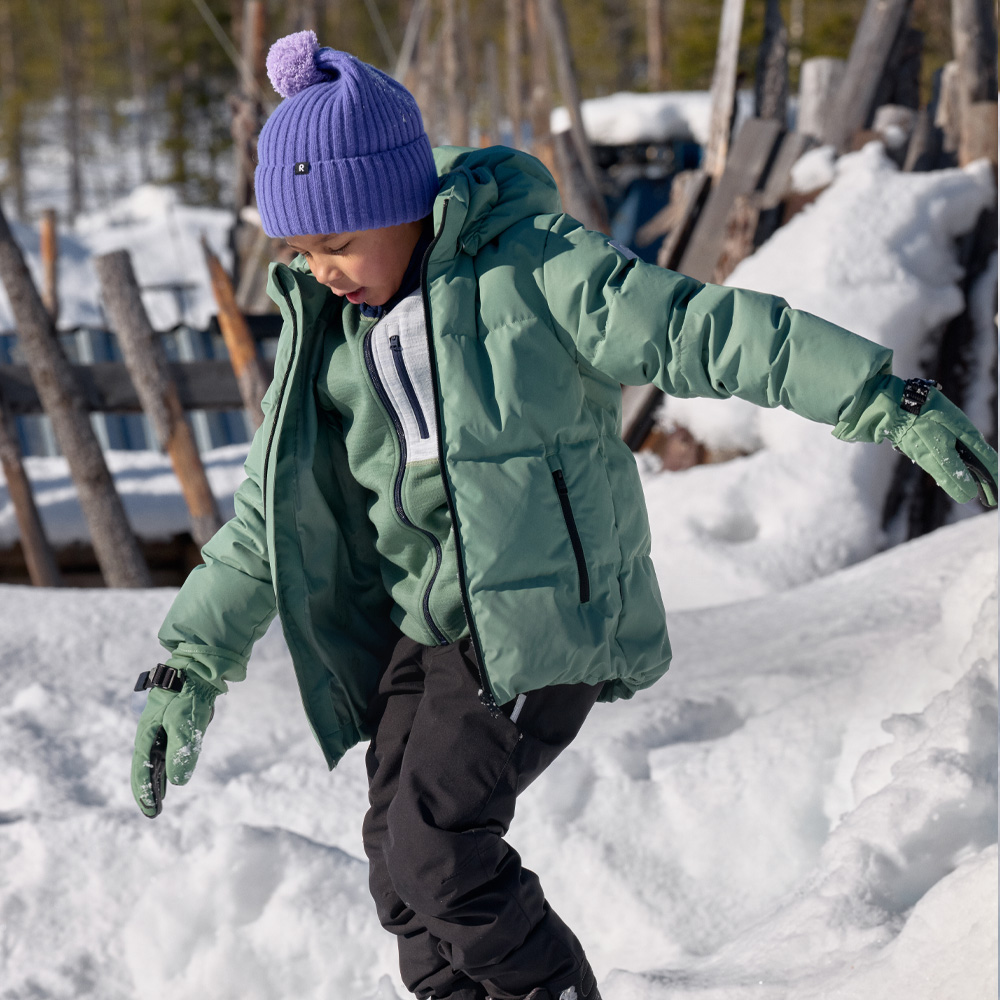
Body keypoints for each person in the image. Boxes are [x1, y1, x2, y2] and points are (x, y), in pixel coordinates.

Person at [130, 31, 999, 1000]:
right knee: (398, 868)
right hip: (432, 626)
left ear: (403, 202)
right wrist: (188, 665)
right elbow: (264, 523)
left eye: (337, 243)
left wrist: (881, 397)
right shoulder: (328, 341)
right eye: (298, 250)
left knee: (440, 852)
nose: (320, 269)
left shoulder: (534, 268)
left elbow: (700, 328)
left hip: (539, 621)